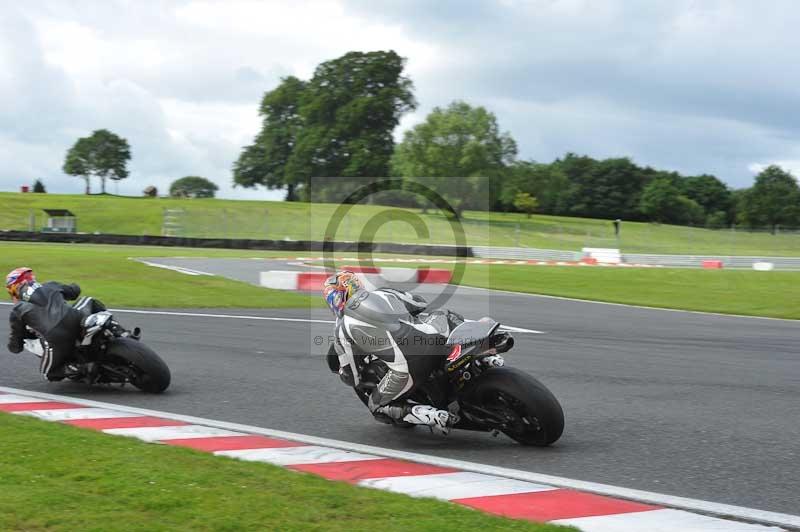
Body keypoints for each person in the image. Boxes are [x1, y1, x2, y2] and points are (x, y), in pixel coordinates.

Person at [324, 270, 458, 434]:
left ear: (336, 299)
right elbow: (419, 304)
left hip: (410, 365)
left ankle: (433, 415)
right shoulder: (384, 293)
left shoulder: (341, 330)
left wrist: (343, 373)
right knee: (443, 314)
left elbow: (353, 376)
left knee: (377, 406)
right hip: (437, 338)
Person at [5, 267, 85, 381]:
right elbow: (74, 291)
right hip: (76, 319)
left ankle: (83, 369)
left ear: (16, 288)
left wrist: (13, 347)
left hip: (57, 337)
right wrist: (70, 287)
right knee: (87, 301)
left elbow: (16, 342)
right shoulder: (50, 285)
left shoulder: (18, 310)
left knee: (49, 374)